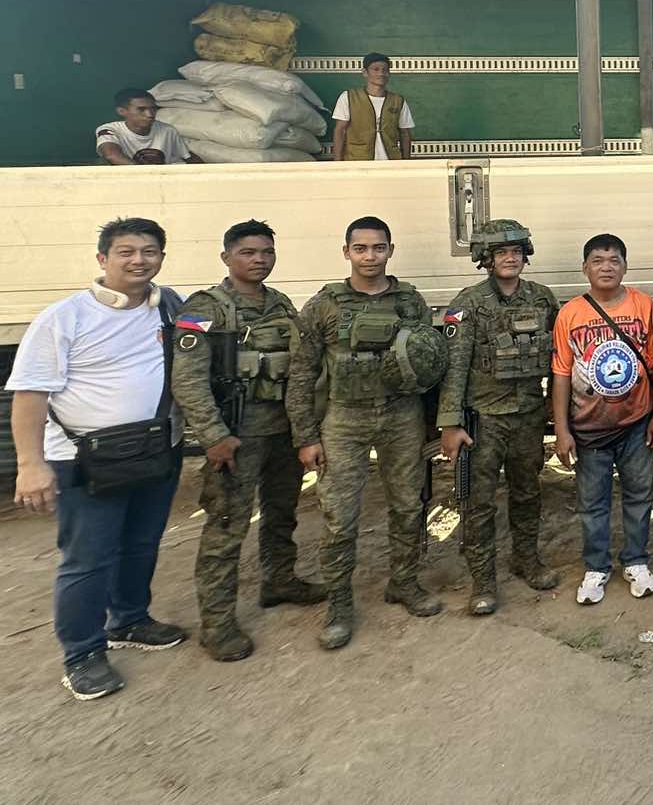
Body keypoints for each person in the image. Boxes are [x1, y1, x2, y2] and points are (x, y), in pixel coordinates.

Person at [9, 217, 188, 700]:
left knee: (142, 543)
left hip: (155, 449)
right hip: (83, 458)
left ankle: (129, 618)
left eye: (149, 251)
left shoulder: (171, 307)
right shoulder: (65, 318)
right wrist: (31, 464)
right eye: (126, 252)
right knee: (87, 558)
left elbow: (205, 346)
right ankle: (83, 652)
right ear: (102, 259)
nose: (139, 260)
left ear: (161, 258)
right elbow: (30, 395)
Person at [286, 216, 446, 650]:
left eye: (378, 248)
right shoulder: (324, 304)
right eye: (361, 248)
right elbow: (301, 374)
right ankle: (339, 605)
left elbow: (431, 362)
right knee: (340, 517)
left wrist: (435, 424)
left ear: (390, 250)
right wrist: (306, 436)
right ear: (346, 252)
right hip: (344, 420)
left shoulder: (410, 301)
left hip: (401, 417)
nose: (370, 256)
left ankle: (404, 582)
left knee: (409, 506)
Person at [171, 220, 325, 663]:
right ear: (226, 257)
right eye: (248, 252)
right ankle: (217, 624)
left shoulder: (281, 304)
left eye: (266, 252)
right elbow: (188, 380)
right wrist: (214, 436)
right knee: (226, 528)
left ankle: (279, 581)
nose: (259, 259)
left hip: (282, 432)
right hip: (236, 438)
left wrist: (305, 429)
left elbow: (299, 371)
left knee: (283, 513)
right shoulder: (205, 308)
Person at [437, 219, 561, 617]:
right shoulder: (467, 304)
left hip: (528, 416)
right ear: (485, 260)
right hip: (483, 420)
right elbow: (454, 367)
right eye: (500, 253)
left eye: (517, 252)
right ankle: (484, 580)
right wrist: (451, 424)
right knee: (478, 502)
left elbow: (561, 361)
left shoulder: (542, 300)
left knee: (528, 493)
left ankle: (526, 559)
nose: (510, 258)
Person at [551, 233, 653, 607]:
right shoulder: (570, 314)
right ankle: (596, 567)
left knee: (640, 495)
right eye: (598, 261)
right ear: (585, 268)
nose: (606, 267)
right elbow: (562, 374)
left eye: (614, 260)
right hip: (588, 430)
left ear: (625, 266)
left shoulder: (643, 306)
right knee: (592, 502)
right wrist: (562, 430)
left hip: (635, 423)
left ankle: (636, 559)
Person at [331, 53, 414, 161]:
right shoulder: (349, 97)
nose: (381, 73)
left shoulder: (398, 101)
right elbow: (340, 130)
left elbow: (405, 134)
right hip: (357, 161)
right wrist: (337, 161)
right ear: (365, 72)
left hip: (391, 161)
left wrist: (406, 162)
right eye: (376, 69)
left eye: (385, 70)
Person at [95, 87, 195, 165]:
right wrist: (148, 174)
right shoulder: (110, 129)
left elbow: (188, 157)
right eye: (141, 109)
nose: (150, 114)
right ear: (121, 111)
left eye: (153, 109)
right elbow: (111, 155)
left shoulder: (167, 130)